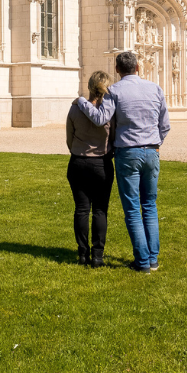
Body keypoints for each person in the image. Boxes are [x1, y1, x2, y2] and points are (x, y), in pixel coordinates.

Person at [73, 51, 169, 272]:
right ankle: (152, 259)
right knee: (150, 206)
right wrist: (155, 143)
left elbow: (99, 118)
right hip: (152, 151)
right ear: (138, 68)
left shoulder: (114, 91)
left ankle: (143, 262)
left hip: (128, 153)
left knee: (133, 208)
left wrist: (80, 100)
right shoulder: (155, 88)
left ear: (117, 69)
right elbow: (164, 125)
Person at [66, 71, 116, 267]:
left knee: (81, 210)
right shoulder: (109, 113)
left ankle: (82, 254)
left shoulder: (75, 109)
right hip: (101, 164)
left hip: (78, 162)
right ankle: (97, 256)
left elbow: (69, 139)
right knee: (100, 211)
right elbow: (113, 139)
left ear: (89, 86)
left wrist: (79, 150)